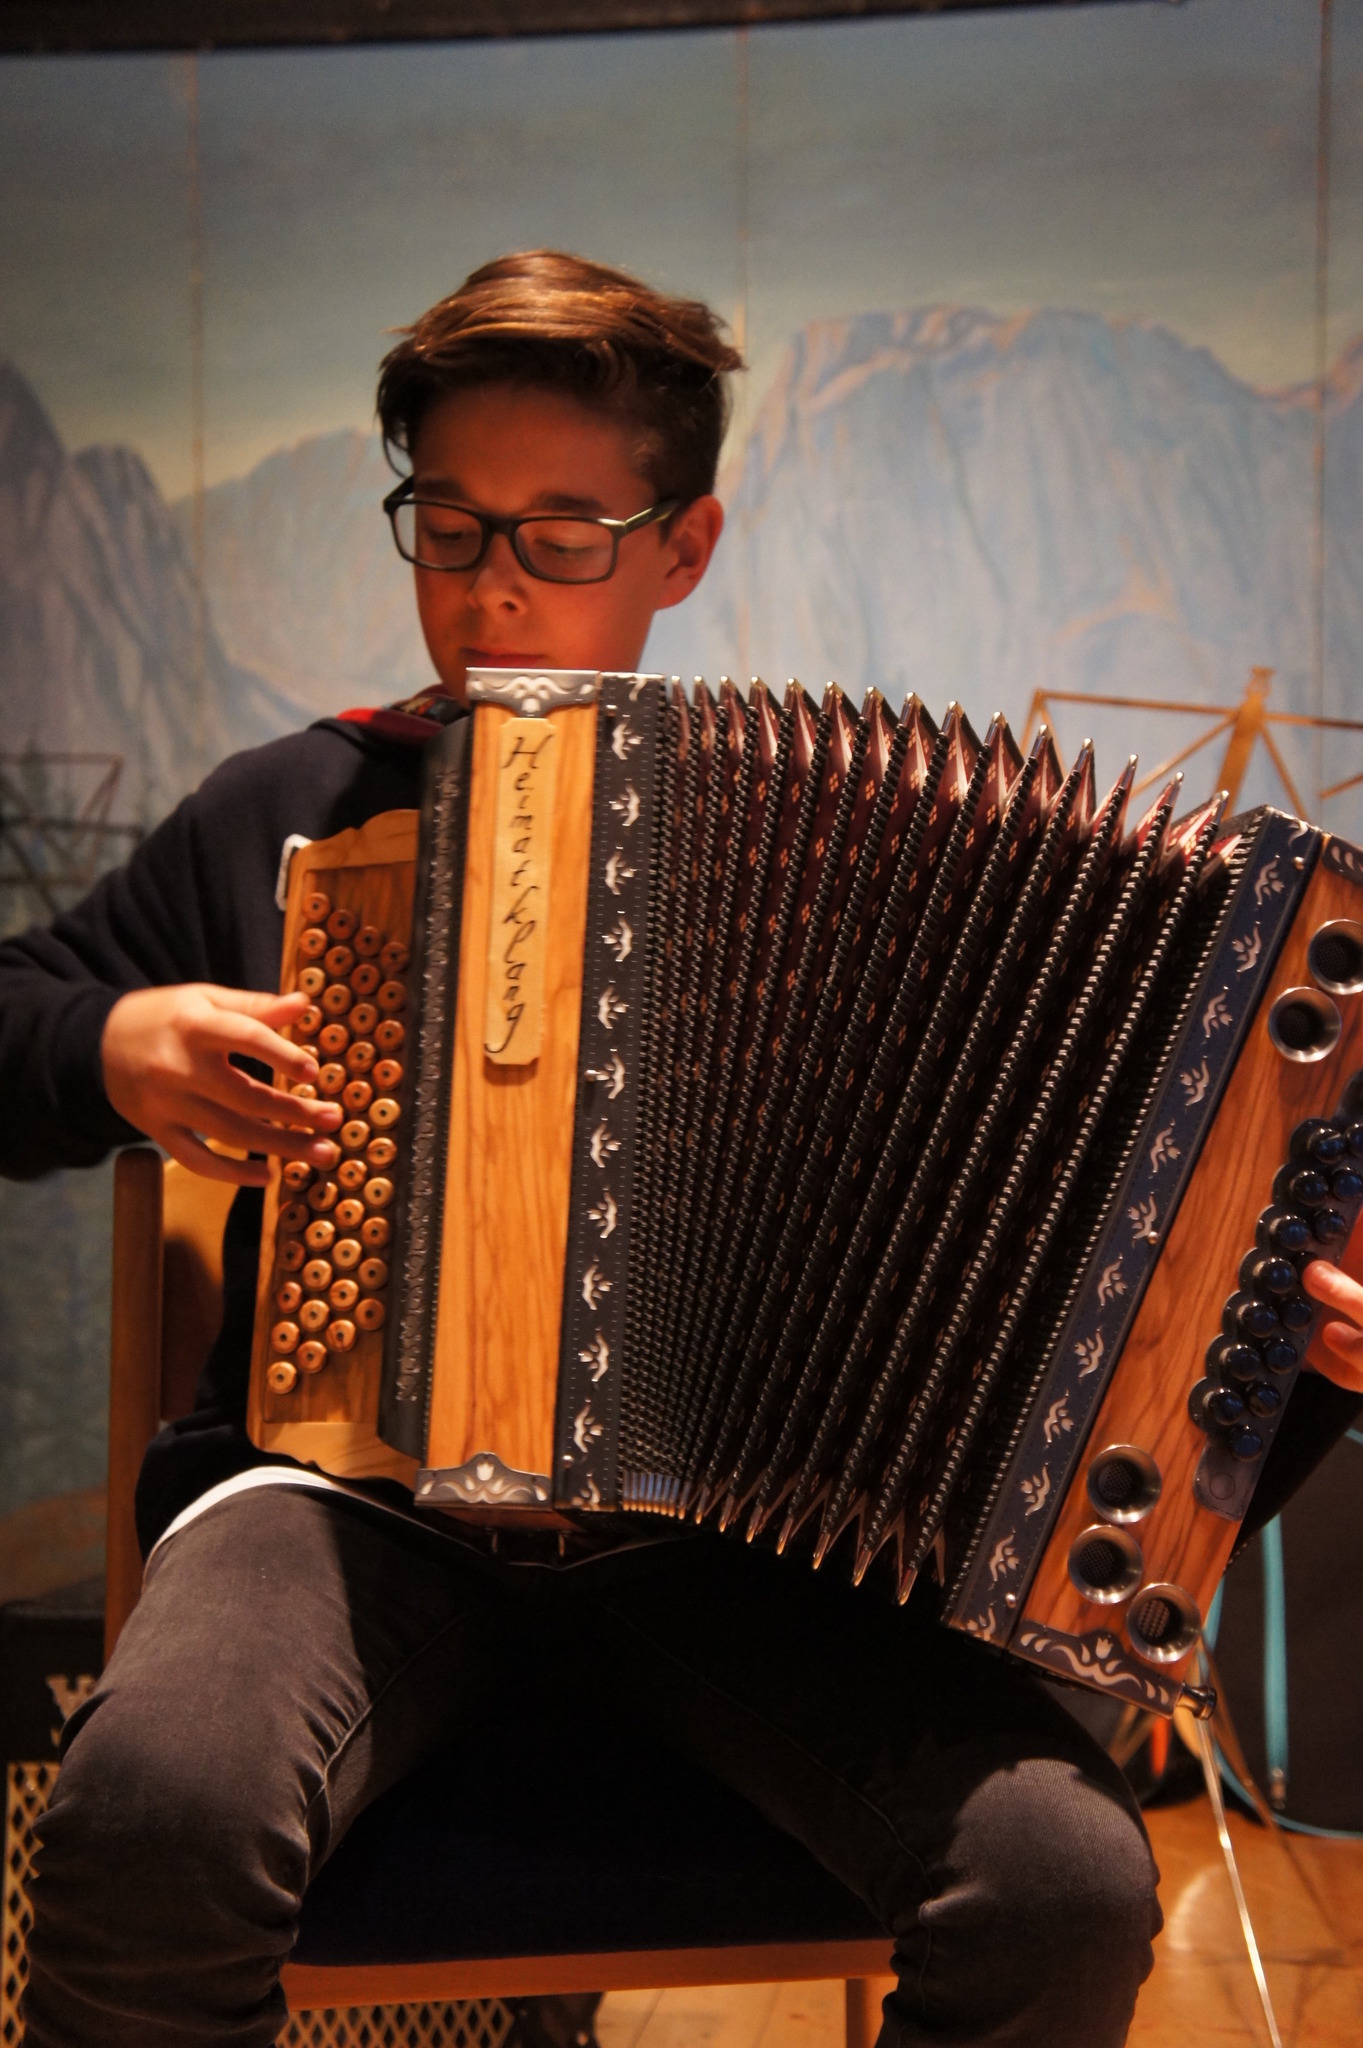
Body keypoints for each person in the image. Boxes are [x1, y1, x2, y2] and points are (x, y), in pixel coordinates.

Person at [3, 249, 1361, 2048]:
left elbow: (1174, 1332)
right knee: (148, 1814)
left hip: (738, 1562)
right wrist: (112, 1038)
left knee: (1062, 1883)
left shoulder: (861, 863)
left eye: (562, 535)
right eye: (451, 526)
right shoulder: (291, 807)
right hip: (347, 1513)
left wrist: (1312, 1356)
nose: (492, 592)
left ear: (682, 546)